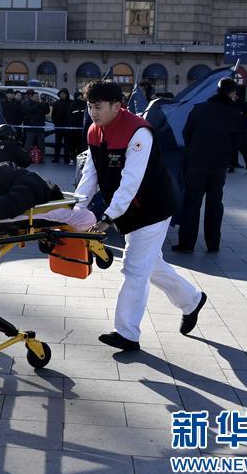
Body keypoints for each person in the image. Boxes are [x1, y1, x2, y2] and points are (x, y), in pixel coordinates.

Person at [74, 79, 206, 352]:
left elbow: (131, 181)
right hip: (128, 209)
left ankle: (127, 333)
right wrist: (77, 208)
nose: (92, 113)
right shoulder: (94, 131)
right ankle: (192, 300)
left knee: (134, 268)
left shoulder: (139, 132)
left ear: (116, 106)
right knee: (150, 265)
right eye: (89, 106)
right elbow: (91, 174)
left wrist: (107, 219)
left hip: (152, 208)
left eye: (98, 107)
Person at [173, 78, 246, 254]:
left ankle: (186, 243)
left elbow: (186, 133)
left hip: (196, 162)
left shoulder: (199, 109)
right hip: (219, 165)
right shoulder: (235, 114)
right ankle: (213, 243)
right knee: (215, 203)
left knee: (191, 203)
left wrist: (193, 149)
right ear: (232, 93)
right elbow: (239, 141)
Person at [228, 85, 247, 173]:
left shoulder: (243, 105)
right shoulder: (230, 105)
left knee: (241, 148)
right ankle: (233, 165)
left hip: (239, 130)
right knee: (234, 149)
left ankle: (245, 164)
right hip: (234, 130)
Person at [21, 89, 48, 161]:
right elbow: (29, 110)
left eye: (38, 96)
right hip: (31, 128)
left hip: (40, 127)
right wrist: (38, 104)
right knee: (28, 144)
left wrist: (45, 103)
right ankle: (25, 158)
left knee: (41, 144)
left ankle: (42, 158)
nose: (37, 98)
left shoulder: (40, 104)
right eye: (36, 96)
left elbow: (47, 111)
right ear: (31, 97)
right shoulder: (27, 103)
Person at [51, 88, 72, 163]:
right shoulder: (56, 103)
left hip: (67, 126)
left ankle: (66, 159)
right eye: (61, 94)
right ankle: (56, 158)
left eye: (64, 94)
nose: (62, 95)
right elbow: (53, 114)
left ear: (67, 95)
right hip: (58, 126)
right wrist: (55, 123)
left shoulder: (71, 103)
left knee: (67, 144)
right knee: (57, 143)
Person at [67, 90, 87, 162]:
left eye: (81, 96)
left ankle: (80, 160)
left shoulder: (85, 105)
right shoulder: (72, 105)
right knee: (72, 145)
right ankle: (72, 159)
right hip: (73, 129)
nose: (80, 97)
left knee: (81, 145)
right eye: (79, 96)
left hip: (82, 129)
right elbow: (69, 116)